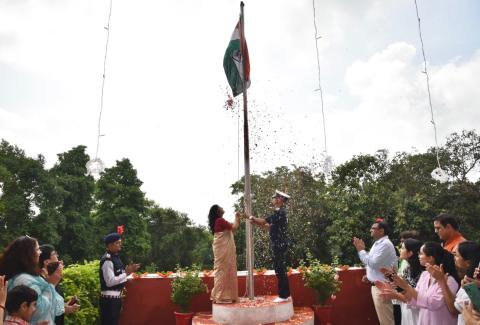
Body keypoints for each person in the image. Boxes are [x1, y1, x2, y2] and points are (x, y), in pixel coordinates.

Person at [389, 242, 460, 325]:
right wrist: (401, 289)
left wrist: (406, 286)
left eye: (421, 253)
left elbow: (433, 303)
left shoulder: (449, 280)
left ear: (430, 258)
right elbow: (416, 301)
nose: (418, 256)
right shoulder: (424, 275)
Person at [0, 236, 64, 325]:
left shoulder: (25, 276)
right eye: (37, 249)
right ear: (28, 254)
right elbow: (39, 308)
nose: (40, 252)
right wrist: (52, 283)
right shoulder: (23, 279)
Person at [247, 190, 291, 303]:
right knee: (280, 268)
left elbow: (263, 221)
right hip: (280, 244)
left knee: (279, 269)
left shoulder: (280, 212)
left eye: (275, 197)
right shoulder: (280, 212)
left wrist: (250, 217)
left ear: (280, 199)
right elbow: (268, 226)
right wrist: (255, 222)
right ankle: (286, 294)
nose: (274, 199)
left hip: (279, 244)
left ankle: (283, 295)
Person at [353, 219, 397, 325]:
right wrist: (369, 276)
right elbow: (375, 265)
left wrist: (361, 250)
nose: (370, 230)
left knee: (386, 321)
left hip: (382, 286)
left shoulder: (385, 244)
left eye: (373, 228)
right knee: (384, 320)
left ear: (381, 231)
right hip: (378, 285)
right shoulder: (378, 243)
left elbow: (373, 263)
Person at [428, 241, 480, 325]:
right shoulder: (467, 281)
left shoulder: (472, 285)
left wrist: (442, 281)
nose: (453, 258)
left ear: (468, 263)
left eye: (456, 255)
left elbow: (454, 309)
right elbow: (456, 302)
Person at [379, 238, 424, 325]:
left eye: (403, 248)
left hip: (418, 312)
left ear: (410, 253)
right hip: (406, 310)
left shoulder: (422, 273)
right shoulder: (407, 269)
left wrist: (395, 294)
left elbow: (415, 297)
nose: (400, 249)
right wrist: (391, 279)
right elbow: (402, 289)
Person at [99, 232, 140, 325]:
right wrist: (126, 273)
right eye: (117, 243)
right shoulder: (107, 260)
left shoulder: (115, 257)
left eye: (120, 242)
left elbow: (120, 277)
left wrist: (129, 273)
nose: (120, 244)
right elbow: (110, 282)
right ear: (110, 245)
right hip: (109, 300)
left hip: (115, 298)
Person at [38, 245, 79, 325]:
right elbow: (43, 308)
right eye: (54, 254)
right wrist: (64, 309)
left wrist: (66, 305)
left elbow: (55, 304)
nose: (57, 256)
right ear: (46, 262)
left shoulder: (53, 279)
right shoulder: (40, 282)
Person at [208, 205, 241, 304]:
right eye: (220, 207)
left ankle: (223, 296)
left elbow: (233, 229)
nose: (222, 207)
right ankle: (219, 297)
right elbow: (234, 227)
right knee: (223, 271)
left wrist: (237, 218)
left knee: (222, 271)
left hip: (221, 249)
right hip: (223, 249)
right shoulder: (220, 220)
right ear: (217, 211)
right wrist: (236, 217)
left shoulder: (219, 221)